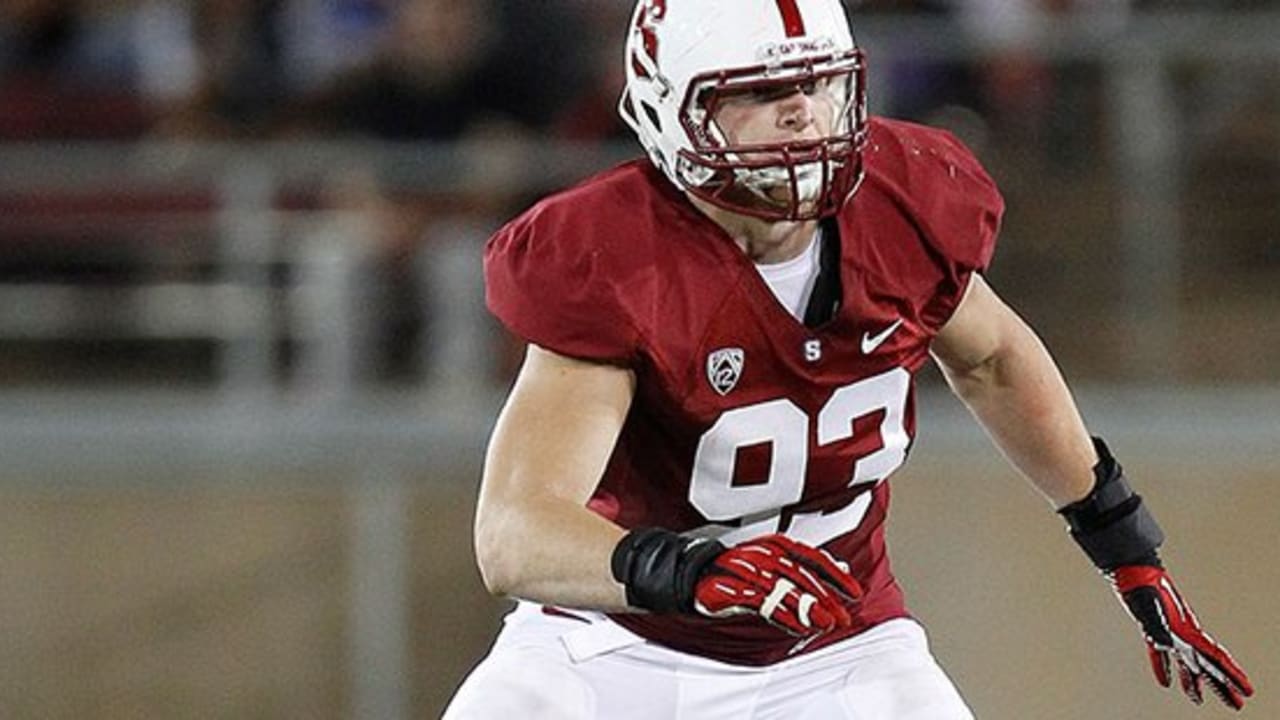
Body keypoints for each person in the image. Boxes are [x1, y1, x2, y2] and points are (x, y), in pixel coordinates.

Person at [444, 1, 1253, 717]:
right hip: (614, 647)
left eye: (816, 85)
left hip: (837, 647)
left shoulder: (901, 201)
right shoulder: (619, 256)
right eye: (760, 94)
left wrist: (1125, 549)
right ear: (671, 112)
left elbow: (994, 359)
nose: (801, 115)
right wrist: (691, 570)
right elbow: (513, 535)